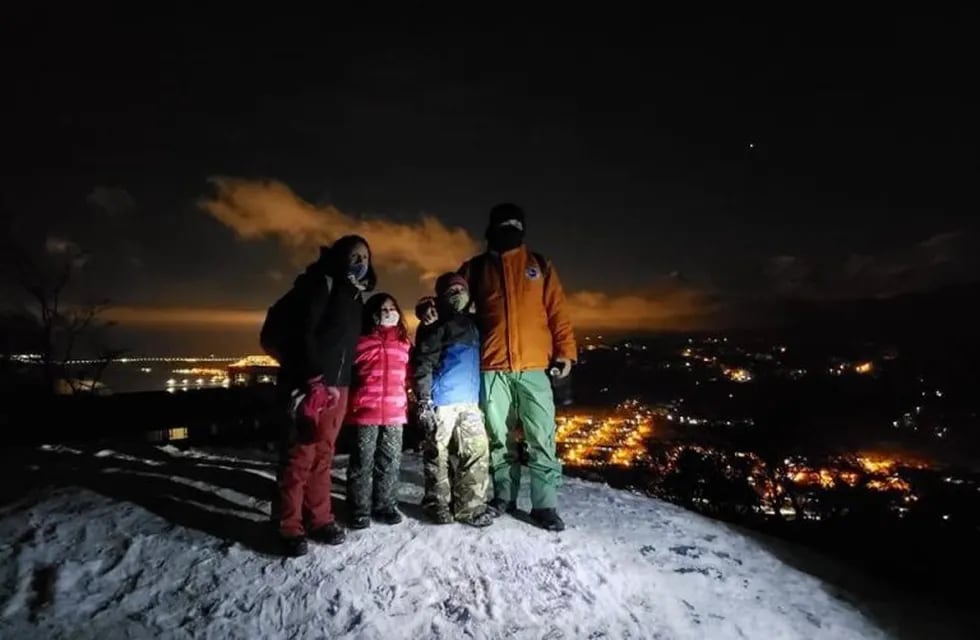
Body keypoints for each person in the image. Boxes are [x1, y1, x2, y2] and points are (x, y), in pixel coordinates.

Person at [421, 203, 576, 531]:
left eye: (515, 223)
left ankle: (544, 504)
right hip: (491, 367)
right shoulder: (476, 268)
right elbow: (452, 293)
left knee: (542, 437)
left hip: (535, 366)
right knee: (498, 438)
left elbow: (557, 314)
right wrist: (429, 310)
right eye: (504, 224)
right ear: (491, 229)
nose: (510, 228)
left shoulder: (539, 266)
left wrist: (565, 354)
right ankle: (504, 495)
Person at [268, 235, 376, 556]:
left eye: (365, 257)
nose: (360, 262)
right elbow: (303, 332)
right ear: (340, 257)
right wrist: (313, 376)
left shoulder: (355, 296)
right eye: (353, 255)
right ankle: (288, 525)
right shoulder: (321, 283)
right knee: (300, 455)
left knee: (324, 455)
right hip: (309, 383)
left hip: (337, 387)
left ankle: (319, 518)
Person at [411, 273, 493, 527]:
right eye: (451, 290)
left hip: (468, 401)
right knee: (437, 453)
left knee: (477, 452)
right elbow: (423, 362)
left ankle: (470, 507)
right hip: (442, 400)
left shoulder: (473, 323)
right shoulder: (435, 324)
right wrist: (424, 399)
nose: (457, 293)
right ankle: (437, 504)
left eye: (461, 289)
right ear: (441, 296)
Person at [344, 293, 411, 529]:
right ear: (372, 313)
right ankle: (358, 508)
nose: (388, 311)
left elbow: (409, 375)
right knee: (362, 462)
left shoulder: (404, 343)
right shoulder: (361, 341)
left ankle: (384, 505)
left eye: (392, 307)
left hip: (394, 411)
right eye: (382, 308)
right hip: (365, 410)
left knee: (390, 461)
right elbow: (348, 374)